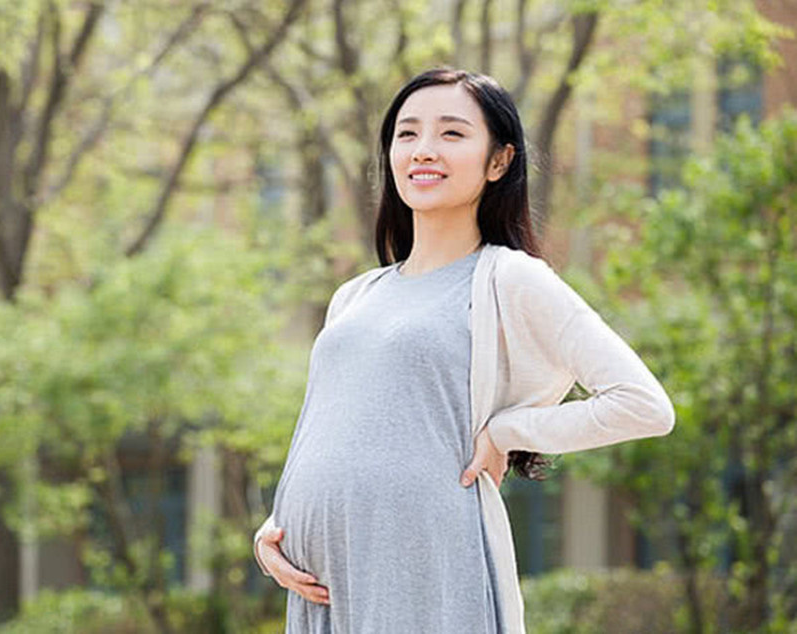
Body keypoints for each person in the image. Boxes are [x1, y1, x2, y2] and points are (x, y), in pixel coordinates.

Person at [252, 67, 675, 634]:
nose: (424, 150)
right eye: (407, 134)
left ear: (498, 161)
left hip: (427, 566)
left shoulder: (511, 278)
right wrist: (276, 529)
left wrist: (507, 432)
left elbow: (644, 404)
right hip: (325, 584)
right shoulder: (354, 295)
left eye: (451, 134)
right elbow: (326, 430)